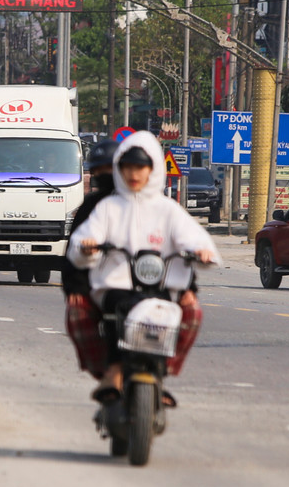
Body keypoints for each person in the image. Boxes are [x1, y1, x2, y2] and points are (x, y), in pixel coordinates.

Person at [68, 130, 220, 403]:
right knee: (115, 309)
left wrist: (202, 252)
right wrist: (87, 245)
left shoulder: (169, 209)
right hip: (117, 284)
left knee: (191, 312)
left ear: (154, 169)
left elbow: (192, 238)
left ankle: (162, 372)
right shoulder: (106, 207)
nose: (133, 174)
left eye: (141, 167)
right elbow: (84, 238)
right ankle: (112, 368)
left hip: (160, 285)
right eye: (127, 167)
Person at [60, 138, 120, 378]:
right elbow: (74, 251)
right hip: (103, 283)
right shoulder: (93, 207)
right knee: (79, 312)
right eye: (99, 169)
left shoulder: (159, 206)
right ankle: (103, 374)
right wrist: (75, 289)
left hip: (144, 282)